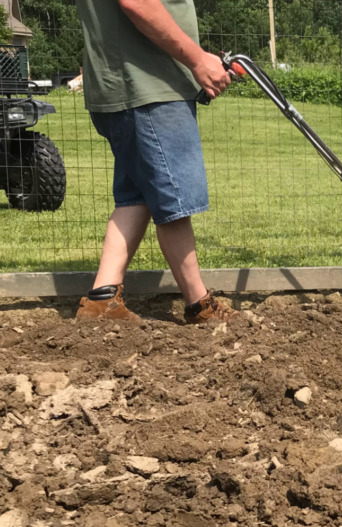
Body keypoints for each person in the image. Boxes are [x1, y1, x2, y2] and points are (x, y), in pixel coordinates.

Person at [74, 0, 237, 324]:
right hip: (148, 86)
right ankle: (200, 305)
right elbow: (138, 3)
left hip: (128, 86)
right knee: (173, 200)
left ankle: (101, 299)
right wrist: (197, 59)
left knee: (138, 196)